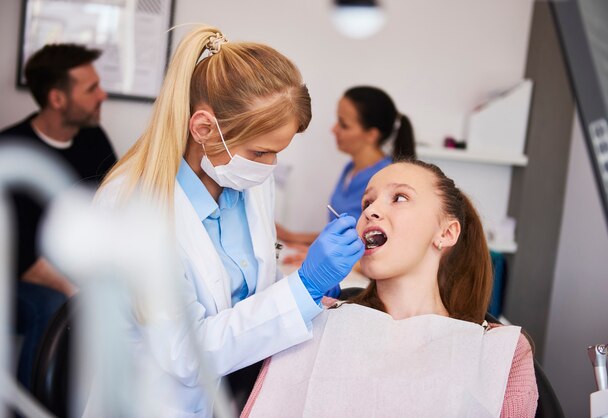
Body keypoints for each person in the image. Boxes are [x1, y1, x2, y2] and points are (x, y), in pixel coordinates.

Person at [93, 25, 364, 416]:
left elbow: (248, 300)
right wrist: (302, 289)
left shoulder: (243, 179)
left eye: (276, 153)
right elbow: (186, 353)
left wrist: (309, 289)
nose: (269, 167)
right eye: (259, 153)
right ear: (203, 129)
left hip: (237, 394)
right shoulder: (133, 208)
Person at [242, 160, 538, 417]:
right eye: (367, 203)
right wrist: (304, 293)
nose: (372, 211)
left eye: (399, 197)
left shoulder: (500, 351)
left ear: (446, 233)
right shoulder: (311, 319)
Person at [0, 43, 116, 392]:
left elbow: (114, 201)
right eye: (91, 88)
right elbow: (20, 257)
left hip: (69, 268)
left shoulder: (93, 139)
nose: (103, 94)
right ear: (57, 99)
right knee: (53, 306)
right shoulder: (11, 151)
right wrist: (78, 291)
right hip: (15, 275)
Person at [276, 86, 416, 261]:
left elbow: (374, 241)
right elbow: (345, 231)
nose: (334, 129)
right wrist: (293, 238)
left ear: (371, 134)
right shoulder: (350, 168)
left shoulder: (388, 177)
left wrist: (315, 251)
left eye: (344, 124)